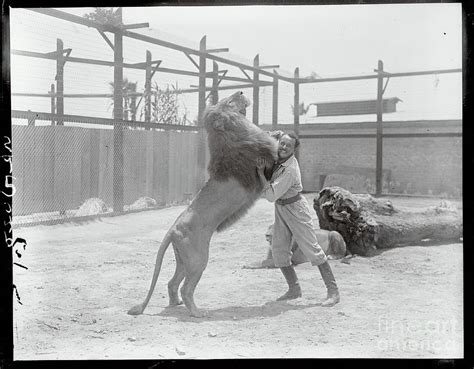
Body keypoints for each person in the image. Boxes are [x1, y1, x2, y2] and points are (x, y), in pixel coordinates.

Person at [256, 132, 340, 307]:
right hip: (281, 208)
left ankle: (333, 292)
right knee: (278, 250)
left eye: (289, 146)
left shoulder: (290, 170)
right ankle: (294, 289)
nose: (284, 147)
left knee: (312, 249)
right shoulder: (278, 158)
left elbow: (270, 196)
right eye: (282, 143)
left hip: (296, 209)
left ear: (294, 150)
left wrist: (260, 173)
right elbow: (269, 137)